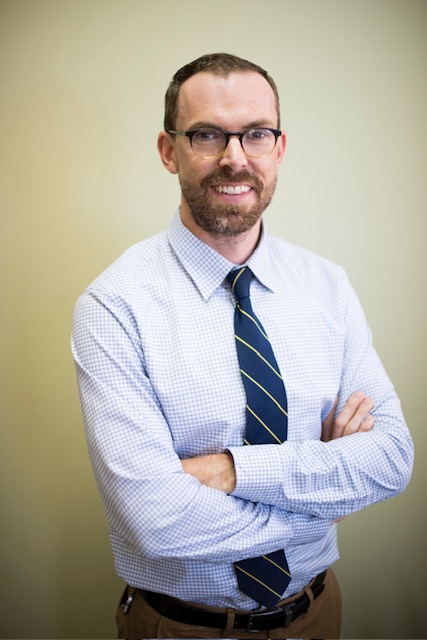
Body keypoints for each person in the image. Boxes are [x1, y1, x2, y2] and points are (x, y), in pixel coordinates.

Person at [71, 53, 414, 639]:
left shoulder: (326, 286)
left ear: (278, 148)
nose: (235, 156)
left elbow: (390, 460)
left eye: (255, 133)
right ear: (168, 149)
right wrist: (322, 496)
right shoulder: (114, 306)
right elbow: (156, 522)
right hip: (184, 629)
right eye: (207, 134)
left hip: (318, 615)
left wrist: (232, 470)